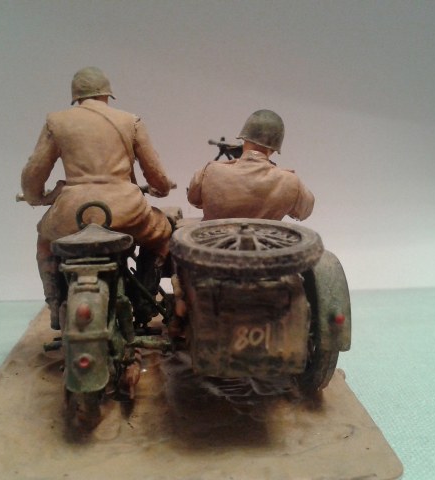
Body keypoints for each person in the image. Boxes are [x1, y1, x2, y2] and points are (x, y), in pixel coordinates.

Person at [21, 66, 175, 329]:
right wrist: (161, 189)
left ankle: (56, 305)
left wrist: (36, 197)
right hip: (126, 212)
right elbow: (157, 176)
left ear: (75, 96)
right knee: (162, 235)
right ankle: (144, 302)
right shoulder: (130, 121)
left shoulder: (56, 122)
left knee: (45, 243)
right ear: (107, 94)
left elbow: (33, 174)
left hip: (72, 215)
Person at [187, 110, 314, 221]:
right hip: (266, 241)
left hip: (213, 240)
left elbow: (194, 199)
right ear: (275, 149)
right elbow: (305, 211)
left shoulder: (209, 172)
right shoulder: (291, 182)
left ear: (244, 139)